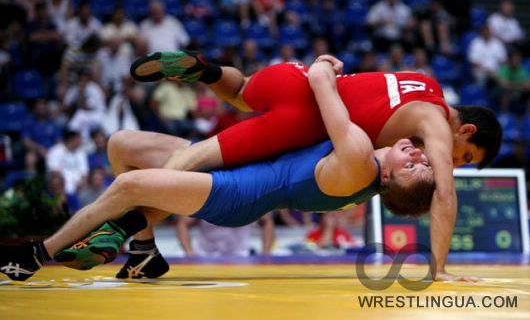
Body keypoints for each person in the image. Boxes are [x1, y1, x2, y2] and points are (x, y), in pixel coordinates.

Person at [0, 60, 435, 281]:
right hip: (249, 165)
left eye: (414, 165)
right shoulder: (364, 160)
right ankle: (143, 252)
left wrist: (325, 63)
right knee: (122, 144)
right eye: (423, 157)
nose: (418, 154)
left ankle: (38, 254)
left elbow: (322, 85)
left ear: (388, 179)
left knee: (129, 184)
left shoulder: (359, 159)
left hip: (235, 196)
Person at [126, 50, 502, 281]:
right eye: (464, 156)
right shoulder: (434, 121)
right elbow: (444, 192)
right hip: (303, 116)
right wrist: (439, 268)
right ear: (464, 129)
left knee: (240, 94)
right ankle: (119, 223)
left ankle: (206, 70)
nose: (453, 163)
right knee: (198, 166)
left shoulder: (424, 83)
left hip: (293, 76)